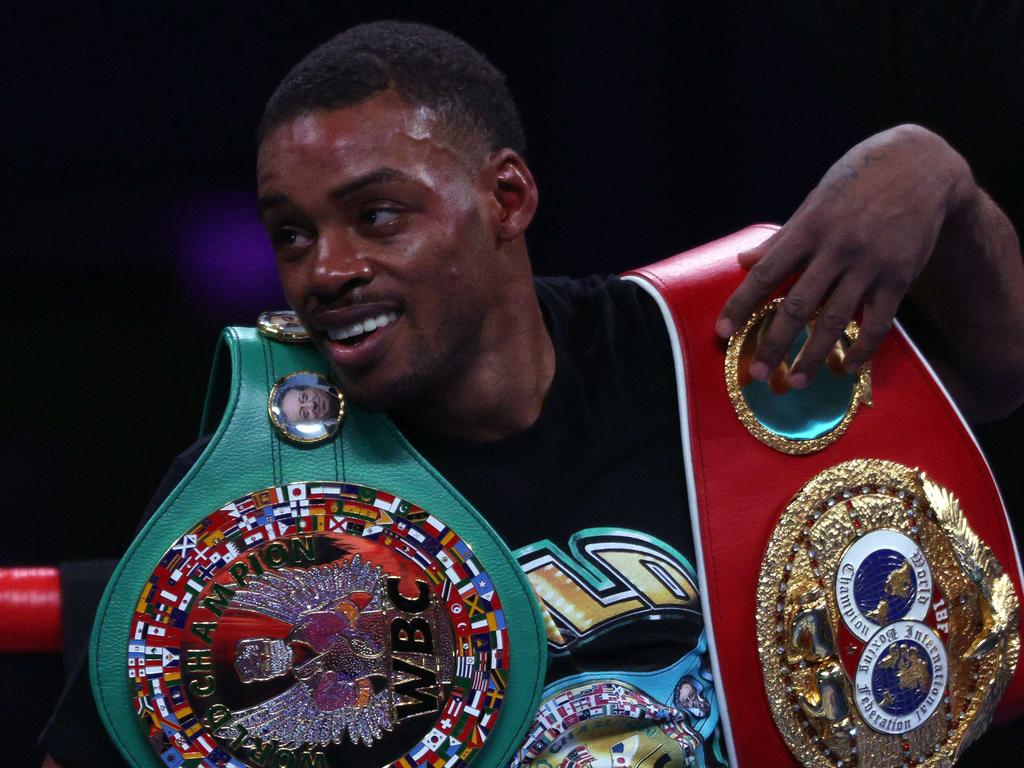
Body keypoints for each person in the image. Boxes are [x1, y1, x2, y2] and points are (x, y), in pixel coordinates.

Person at [41, 20, 1024, 768]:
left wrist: (941, 180)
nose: (324, 270)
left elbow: (998, 371)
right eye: (291, 233)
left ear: (507, 199)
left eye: (376, 216)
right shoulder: (260, 499)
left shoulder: (704, 351)